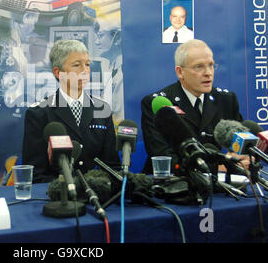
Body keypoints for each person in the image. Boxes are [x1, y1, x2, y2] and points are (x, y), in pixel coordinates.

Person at [22, 39, 120, 183]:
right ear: (58, 72)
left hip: (96, 194)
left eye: (87, 64)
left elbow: (112, 166)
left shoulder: (102, 110)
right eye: (77, 65)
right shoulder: (39, 113)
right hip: (56, 197)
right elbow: (36, 173)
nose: (85, 70)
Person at [141, 39, 244, 175]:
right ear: (180, 72)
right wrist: (215, 168)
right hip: (172, 184)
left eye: (211, 65)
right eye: (199, 67)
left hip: (218, 186)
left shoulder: (226, 100)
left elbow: (240, 143)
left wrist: (243, 157)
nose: (208, 73)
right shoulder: (158, 103)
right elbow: (162, 156)